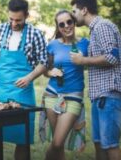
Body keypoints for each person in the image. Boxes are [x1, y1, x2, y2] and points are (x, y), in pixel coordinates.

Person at [0, 0, 48, 160]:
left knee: (22, 139)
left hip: (23, 93)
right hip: (1, 93)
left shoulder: (35, 34)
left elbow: (44, 62)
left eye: (18, 20)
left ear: (27, 16)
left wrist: (30, 77)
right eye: (11, 19)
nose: (13, 23)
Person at [70, 0, 121, 160]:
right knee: (99, 143)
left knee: (110, 145)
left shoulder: (103, 26)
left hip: (110, 94)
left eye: (74, 11)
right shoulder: (94, 30)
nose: (72, 15)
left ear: (84, 10)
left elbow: (111, 57)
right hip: (100, 97)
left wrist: (83, 60)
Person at [42, 10, 89, 160]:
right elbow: (45, 70)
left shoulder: (85, 44)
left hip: (73, 97)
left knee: (56, 142)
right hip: (52, 95)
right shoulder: (53, 45)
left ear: (74, 22)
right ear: (58, 27)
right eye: (61, 24)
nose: (66, 26)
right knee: (59, 144)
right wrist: (51, 72)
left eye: (69, 22)